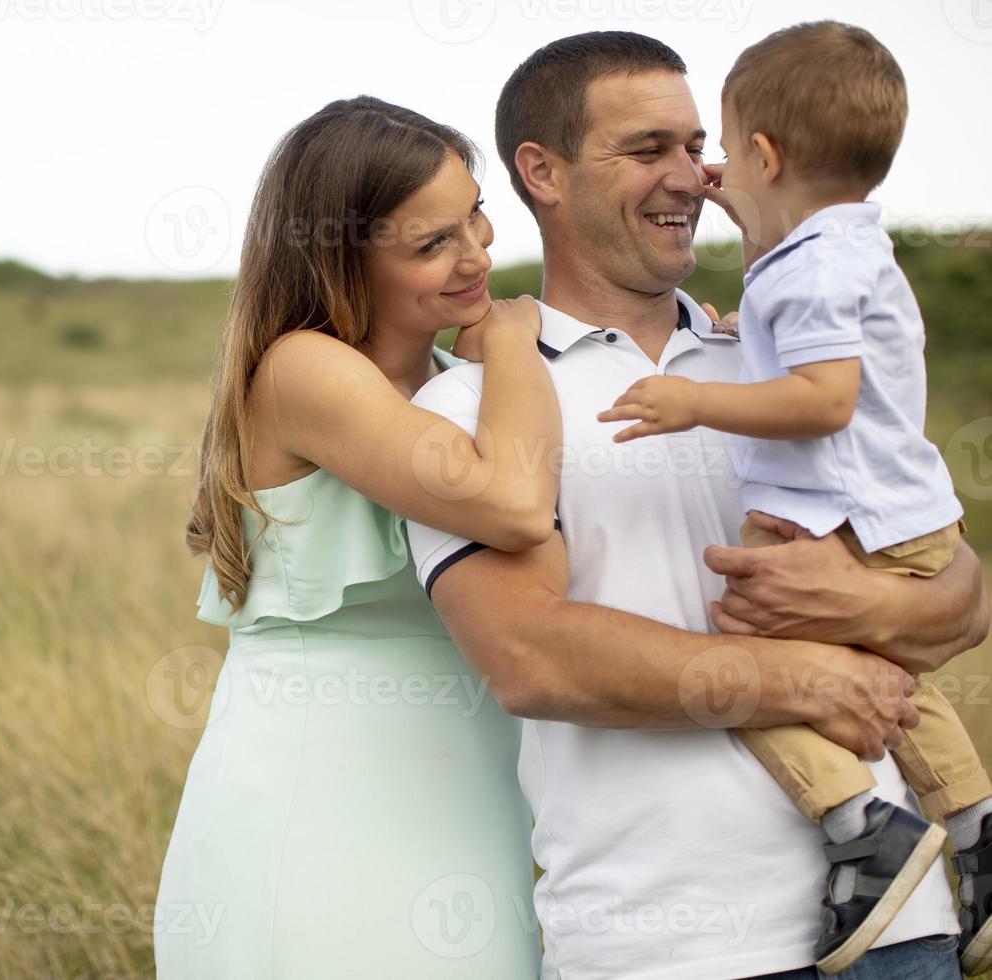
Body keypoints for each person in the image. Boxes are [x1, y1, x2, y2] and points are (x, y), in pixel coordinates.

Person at [404, 31, 992, 980]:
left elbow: (959, 590)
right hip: (658, 946)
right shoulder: (467, 409)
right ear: (541, 171)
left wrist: (877, 611)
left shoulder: (779, 362)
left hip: (900, 931)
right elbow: (530, 659)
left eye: (693, 145)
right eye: (647, 151)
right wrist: (807, 676)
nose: (691, 176)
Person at [597, 22, 992, 975]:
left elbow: (825, 400)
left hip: (855, 520)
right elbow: (812, 347)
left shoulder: (807, 269)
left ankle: (861, 821)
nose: (709, 172)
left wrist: (696, 397)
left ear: (765, 154)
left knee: (743, 659)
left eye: (721, 150)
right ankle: (974, 822)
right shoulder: (842, 245)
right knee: (876, 665)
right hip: (907, 516)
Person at [154, 95, 560, 977]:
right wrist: (519, 341)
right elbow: (517, 505)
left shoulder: (464, 383)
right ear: (341, 259)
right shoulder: (305, 370)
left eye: (476, 218)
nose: (476, 256)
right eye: (430, 244)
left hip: (463, 802)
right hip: (314, 807)